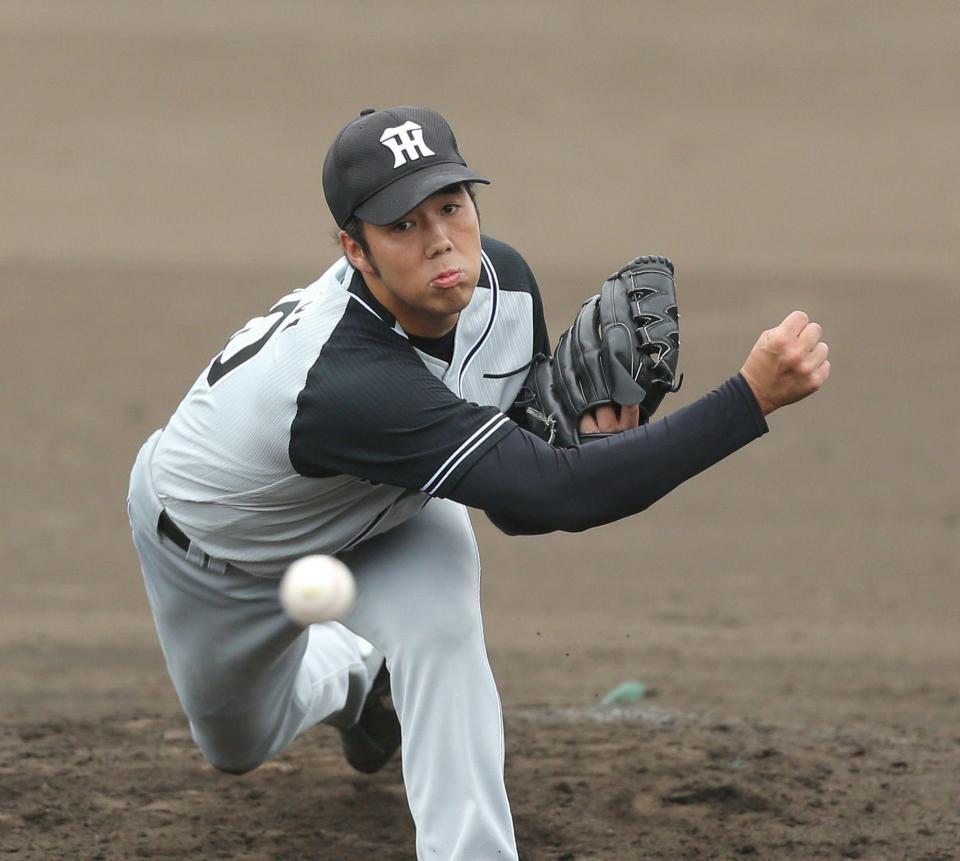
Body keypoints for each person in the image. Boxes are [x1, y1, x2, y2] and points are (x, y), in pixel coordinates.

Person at [126, 105, 830, 860]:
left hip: (390, 513)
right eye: (403, 225)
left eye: (452, 207)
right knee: (238, 744)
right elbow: (556, 494)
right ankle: (360, 680)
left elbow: (518, 506)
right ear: (354, 249)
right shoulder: (345, 379)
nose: (440, 241)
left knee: (443, 631)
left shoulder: (508, 288)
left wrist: (588, 443)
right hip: (214, 555)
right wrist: (747, 399)